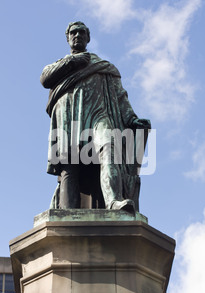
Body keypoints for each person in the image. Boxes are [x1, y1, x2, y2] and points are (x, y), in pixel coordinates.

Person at [40, 21, 151, 213]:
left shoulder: (103, 66)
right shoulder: (60, 65)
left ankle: (114, 201)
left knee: (110, 146)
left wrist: (132, 118)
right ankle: (67, 214)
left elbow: (120, 96)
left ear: (88, 38)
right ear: (68, 38)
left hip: (98, 114)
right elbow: (45, 79)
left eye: (81, 32)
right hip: (68, 116)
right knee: (69, 163)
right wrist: (73, 61)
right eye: (73, 33)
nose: (77, 36)